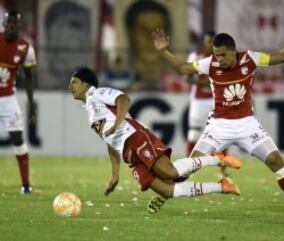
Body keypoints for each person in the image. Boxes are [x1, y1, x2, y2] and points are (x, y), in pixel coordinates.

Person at [151, 19, 284, 218]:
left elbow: (281, 57)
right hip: (218, 126)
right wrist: (164, 51)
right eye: (216, 55)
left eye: (223, 55)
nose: (219, 59)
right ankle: (166, 193)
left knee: (276, 160)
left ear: (234, 51)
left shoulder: (251, 59)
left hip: (247, 125)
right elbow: (183, 68)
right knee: (192, 164)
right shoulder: (210, 64)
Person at [68, 67, 242, 203]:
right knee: (167, 190)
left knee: (170, 173)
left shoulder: (97, 94)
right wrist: (115, 175)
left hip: (135, 137)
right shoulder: (90, 112)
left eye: (74, 82)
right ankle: (222, 187)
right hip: (128, 154)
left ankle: (218, 159)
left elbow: (123, 99)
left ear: (86, 84)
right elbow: (110, 141)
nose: (70, 86)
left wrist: (116, 124)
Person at [0, 10, 36, 194]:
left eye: (16, 22)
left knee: (17, 137)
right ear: (5, 24)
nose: (12, 25)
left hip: (7, 99)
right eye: (10, 22)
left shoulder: (25, 48)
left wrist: (31, 104)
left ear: (19, 25)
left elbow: (29, 77)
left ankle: (26, 185)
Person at [185, 30, 216, 156]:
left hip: (216, 99)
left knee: (221, 134)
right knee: (194, 133)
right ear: (204, 42)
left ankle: (223, 169)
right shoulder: (195, 56)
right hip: (199, 100)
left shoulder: (222, 58)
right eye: (209, 41)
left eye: (213, 41)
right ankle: (186, 166)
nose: (211, 44)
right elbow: (187, 78)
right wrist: (204, 83)